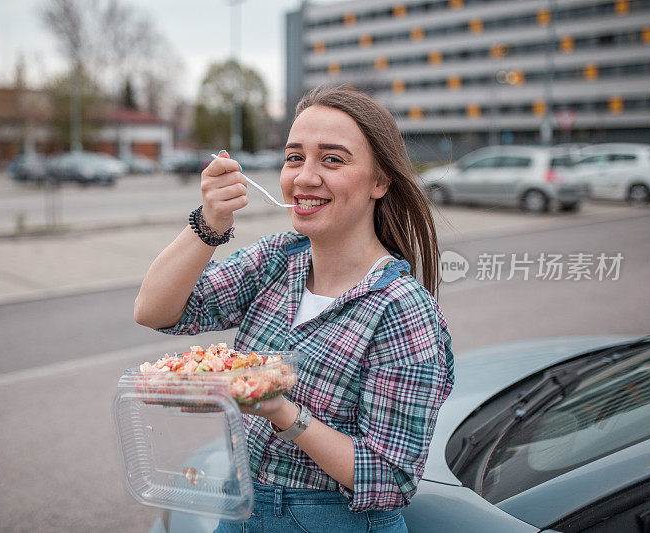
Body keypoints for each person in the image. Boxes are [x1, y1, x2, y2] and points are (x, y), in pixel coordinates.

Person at [134, 85, 454, 533]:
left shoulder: (400, 308)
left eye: (332, 159)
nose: (304, 177)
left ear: (379, 182)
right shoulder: (277, 259)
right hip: (241, 505)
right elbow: (155, 310)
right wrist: (209, 222)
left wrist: (281, 410)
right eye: (294, 157)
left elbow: (391, 481)